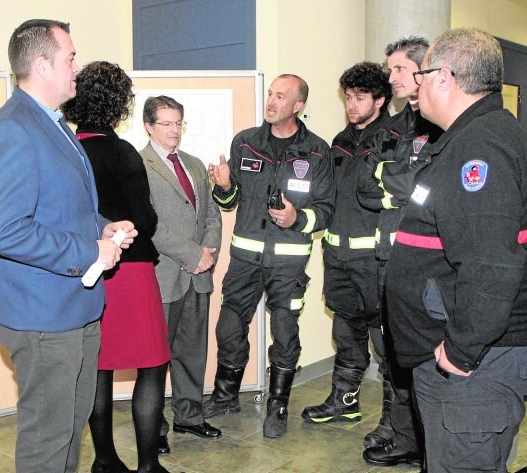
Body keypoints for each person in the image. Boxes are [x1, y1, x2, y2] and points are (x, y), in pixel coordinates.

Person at [0, 20, 136, 473]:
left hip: (73, 307)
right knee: (48, 439)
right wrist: (89, 252)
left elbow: (68, 208)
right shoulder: (14, 129)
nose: (77, 67)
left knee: (68, 427)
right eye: (69, 57)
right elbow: (5, 231)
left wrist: (104, 229)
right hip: (41, 314)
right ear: (42, 64)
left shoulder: (55, 125)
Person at [385, 27, 527, 473]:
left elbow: (491, 263)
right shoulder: (474, 136)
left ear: (444, 77)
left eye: (422, 73)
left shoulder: (481, 147)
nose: (416, 84)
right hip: (474, 357)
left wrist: (460, 352)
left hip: (475, 365)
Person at [203, 74, 335, 438]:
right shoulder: (245, 143)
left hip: (288, 264)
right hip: (245, 260)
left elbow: (326, 210)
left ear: (298, 106)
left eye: (281, 96)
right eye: (271, 94)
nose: (272, 101)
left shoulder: (318, 152)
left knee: (284, 333)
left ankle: (278, 405)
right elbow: (228, 203)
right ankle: (226, 394)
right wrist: (225, 186)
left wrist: (297, 218)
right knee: (228, 327)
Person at [63, 62, 171, 473]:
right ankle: (148, 465)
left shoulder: (68, 148)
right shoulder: (122, 152)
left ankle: (105, 459)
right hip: (131, 269)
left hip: (85, 270)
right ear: (119, 105)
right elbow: (145, 219)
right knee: (151, 364)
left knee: (99, 364)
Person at [358, 36, 442, 469]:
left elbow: (432, 189)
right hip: (389, 255)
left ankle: (432, 446)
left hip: (429, 259)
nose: (390, 79)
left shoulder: (443, 122)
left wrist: (401, 184)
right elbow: (367, 187)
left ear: (422, 70)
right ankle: (407, 439)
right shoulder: (394, 127)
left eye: (397, 70)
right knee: (397, 354)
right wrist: (403, 184)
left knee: (428, 360)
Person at [301, 62, 395, 445]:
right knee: (346, 333)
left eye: (360, 98)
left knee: (387, 344)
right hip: (337, 259)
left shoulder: (394, 140)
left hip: (375, 263)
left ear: (380, 99)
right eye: (349, 98)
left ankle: (395, 423)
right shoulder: (339, 141)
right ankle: (344, 401)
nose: (352, 105)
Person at [139, 95, 223, 449]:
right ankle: (154, 430)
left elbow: (212, 215)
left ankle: (189, 416)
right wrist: (192, 254)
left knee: (192, 351)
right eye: (166, 124)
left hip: (197, 276)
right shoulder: (138, 165)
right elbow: (149, 224)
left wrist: (205, 254)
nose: (174, 131)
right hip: (164, 276)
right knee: (157, 358)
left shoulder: (192, 164)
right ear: (149, 126)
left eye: (179, 123)